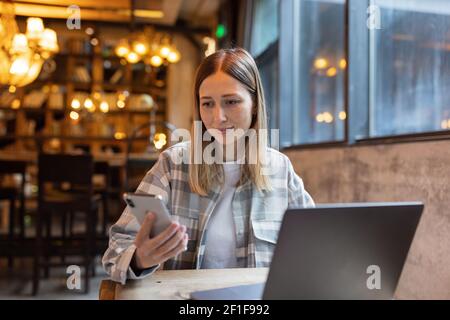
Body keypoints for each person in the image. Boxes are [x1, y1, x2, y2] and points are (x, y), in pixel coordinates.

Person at [102, 47, 315, 284]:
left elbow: (316, 244)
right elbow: (115, 251)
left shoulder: (280, 169)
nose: (218, 118)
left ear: (255, 104)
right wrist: (139, 259)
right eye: (207, 104)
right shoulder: (174, 165)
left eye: (231, 102)